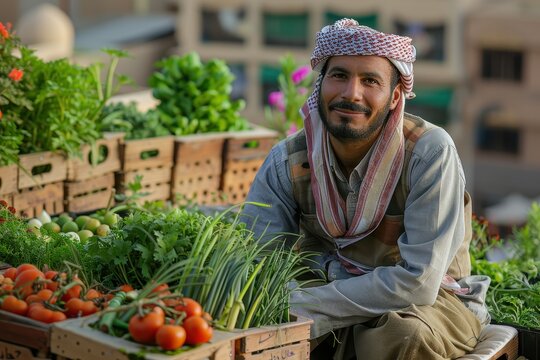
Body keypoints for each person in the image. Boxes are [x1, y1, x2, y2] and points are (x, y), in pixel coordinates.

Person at [241, 18, 491, 360]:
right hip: (321, 292)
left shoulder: (429, 153)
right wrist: (281, 303)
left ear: (394, 97)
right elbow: (257, 262)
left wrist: (302, 306)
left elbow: (418, 283)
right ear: (321, 84)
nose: (351, 94)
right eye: (339, 76)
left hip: (426, 305)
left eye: (370, 81)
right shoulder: (288, 160)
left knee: (404, 335)